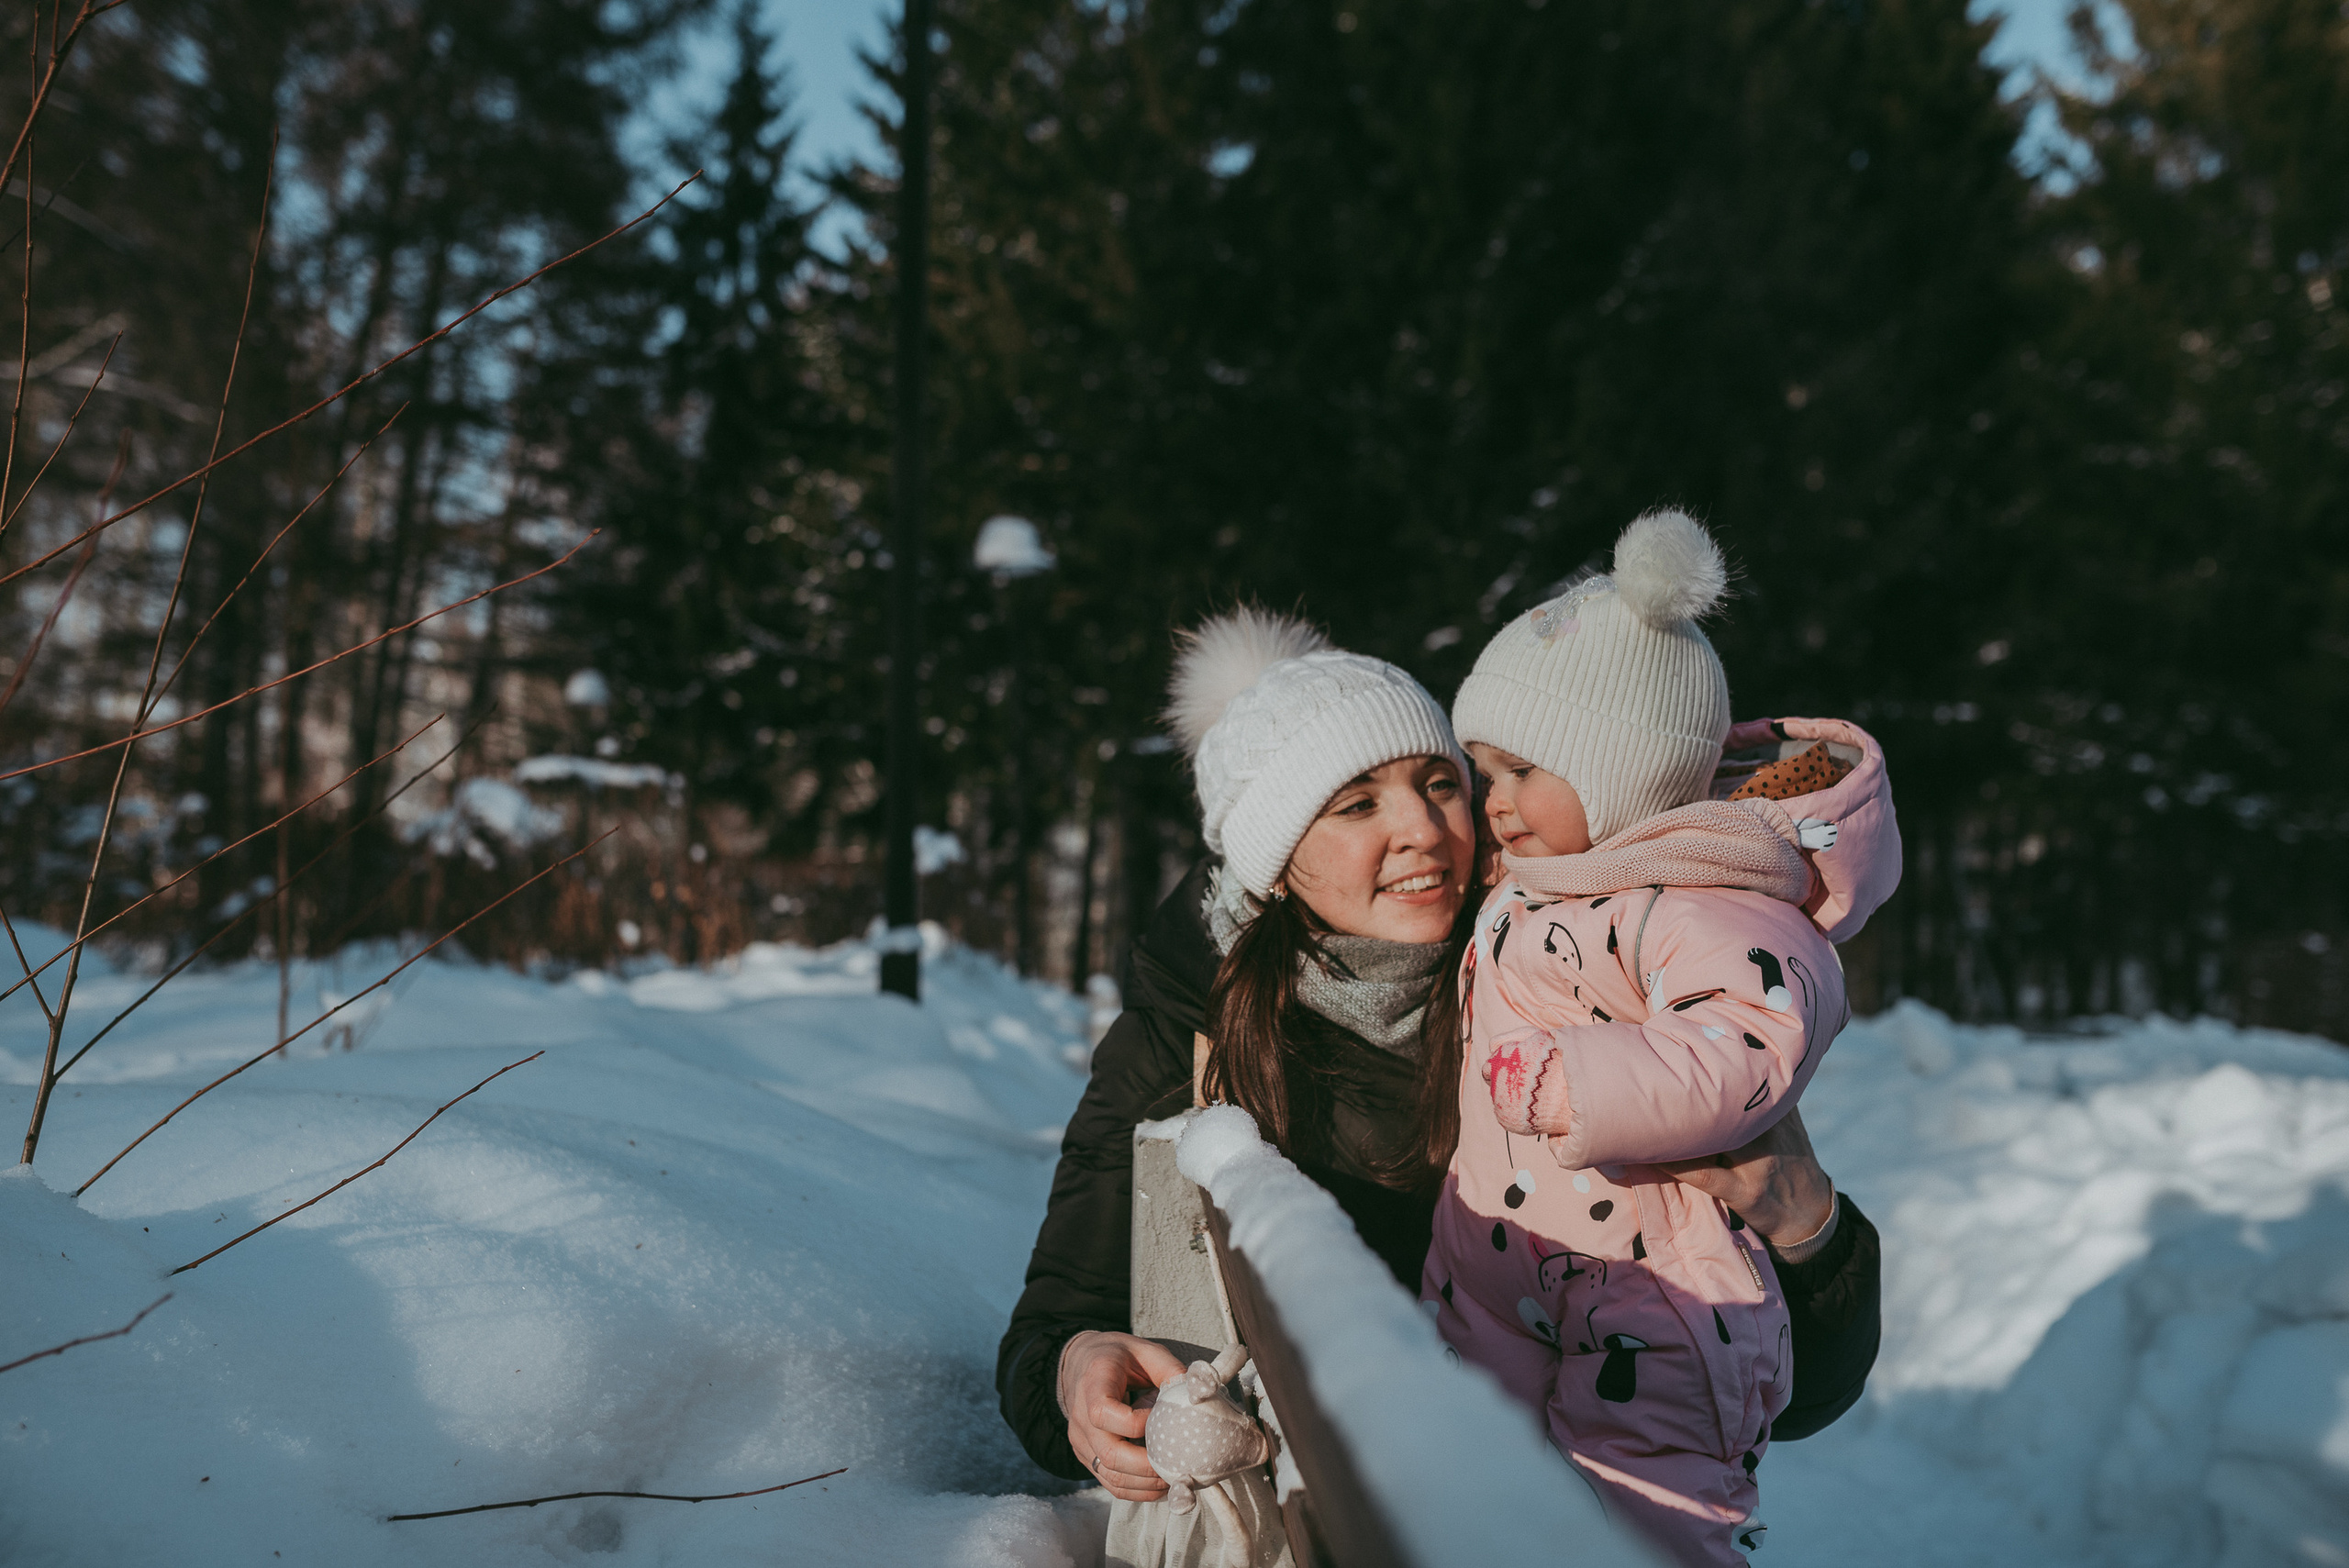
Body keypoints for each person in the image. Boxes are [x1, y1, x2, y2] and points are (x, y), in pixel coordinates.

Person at [994, 606, 1883, 1524]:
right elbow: (1050, 1332)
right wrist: (1078, 1373)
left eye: (1438, 782)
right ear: (1274, 855)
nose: (1423, 826)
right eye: (1356, 803)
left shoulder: (1572, 975)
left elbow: (1795, 1391)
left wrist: (1811, 1230)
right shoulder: (1192, 1029)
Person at [1426, 509, 1899, 1565]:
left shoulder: (1697, 897)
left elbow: (1748, 1033)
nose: (1490, 804)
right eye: (1483, 770)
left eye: (1520, 773)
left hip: (1653, 1279)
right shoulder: (1547, 879)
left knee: (1646, 1513)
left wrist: (1571, 1080)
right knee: (1471, 1497)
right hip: (1503, 1258)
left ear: (1622, 771)